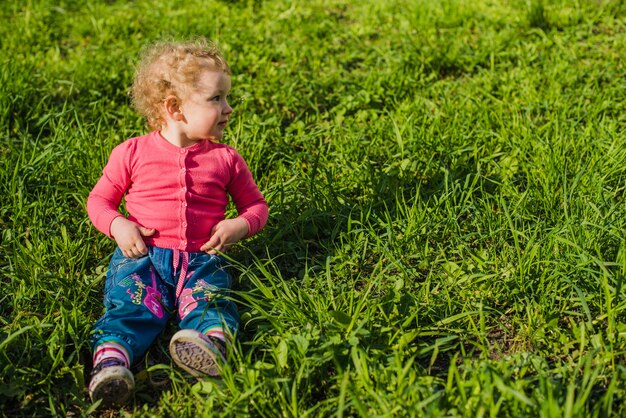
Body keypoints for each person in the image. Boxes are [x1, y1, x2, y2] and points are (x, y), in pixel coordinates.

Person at [86, 39, 268, 406]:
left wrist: (240, 226)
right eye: (216, 99)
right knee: (131, 306)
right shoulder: (132, 153)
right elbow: (99, 201)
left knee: (211, 300)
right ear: (175, 108)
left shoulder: (226, 159)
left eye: (226, 98)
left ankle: (211, 345)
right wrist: (119, 226)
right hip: (142, 258)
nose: (228, 108)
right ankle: (111, 362)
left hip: (203, 258)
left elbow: (256, 206)